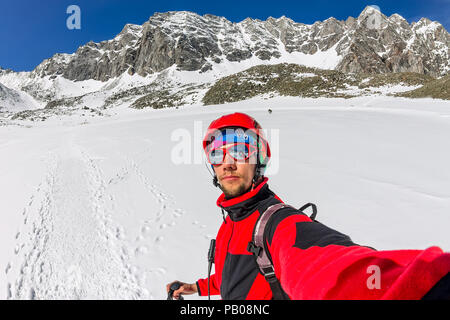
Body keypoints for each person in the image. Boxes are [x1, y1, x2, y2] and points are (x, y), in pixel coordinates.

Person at [167, 112, 450, 300]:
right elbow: (234, 274)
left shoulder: (276, 223)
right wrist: (196, 287)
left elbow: (331, 269)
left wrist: (427, 285)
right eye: (217, 154)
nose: (228, 163)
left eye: (241, 150)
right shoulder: (231, 220)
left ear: (259, 160)